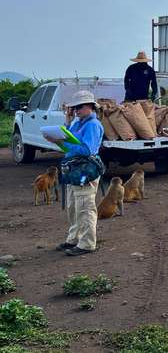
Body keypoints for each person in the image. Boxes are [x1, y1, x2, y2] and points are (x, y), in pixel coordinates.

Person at [43, 91, 105, 257]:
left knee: (84, 206)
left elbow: (87, 150)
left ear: (91, 107)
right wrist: (66, 124)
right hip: (75, 169)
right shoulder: (79, 122)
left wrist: (62, 142)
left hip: (85, 169)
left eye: (80, 106)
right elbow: (68, 140)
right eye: (75, 107)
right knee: (73, 206)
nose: (76, 110)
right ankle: (74, 239)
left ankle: (87, 243)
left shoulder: (92, 125)